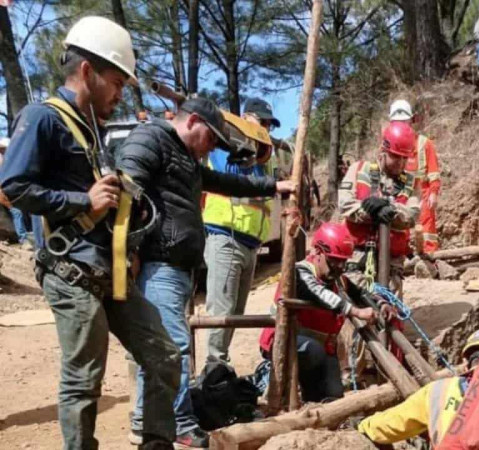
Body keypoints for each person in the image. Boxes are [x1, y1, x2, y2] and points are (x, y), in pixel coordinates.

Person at [0, 16, 182, 450]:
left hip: (110, 271)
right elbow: (12, 187)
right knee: (84, 378)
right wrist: (85, 202)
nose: (120, 93)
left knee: (164, 357)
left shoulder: (92, 130)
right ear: (87, 72)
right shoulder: (43, 118)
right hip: (69, 270)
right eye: (117, 82)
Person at [116, 97, 295, 448]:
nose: (212, 145)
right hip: (159, 264)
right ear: (193, 121)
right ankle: (179, 422)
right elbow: (126, 188)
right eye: (210, 137)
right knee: (175, 347)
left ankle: (146, 419)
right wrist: (129, 250)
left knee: (161, 346)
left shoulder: (186, 159)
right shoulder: (152, 138)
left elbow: (226, 184)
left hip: (179, 265)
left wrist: (272, 186)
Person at [258, 222, 394, 402]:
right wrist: (356, 312)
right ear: (318, 253)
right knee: (314, 353)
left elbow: (360, 293)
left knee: (333, 396)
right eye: (334, 261)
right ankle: (271, 380)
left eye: (343, 262)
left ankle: (310, 398)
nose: (338, 267)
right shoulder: (300, 272)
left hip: (321, 348)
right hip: (286, 341)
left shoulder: (338, 279)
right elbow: (319, 294)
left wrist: (381, 304)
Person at [202, 97, 281, 365]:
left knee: (236, 311)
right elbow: (228, 172)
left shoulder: (265, 157)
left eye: (270, 125)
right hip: (225, 236)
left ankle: (219, 365)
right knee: (220, 310)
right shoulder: (224, 142)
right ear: (247, 118)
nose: (267, 129)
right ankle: (214, 368)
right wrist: (243, 143)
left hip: (251, 244)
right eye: (263, 122)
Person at [337, 121, 420, 297]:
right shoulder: (359, 169)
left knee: (389, 309)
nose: (401, 163)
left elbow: (412, 216)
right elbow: (344, 203)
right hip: (356, 255)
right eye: (396, 156)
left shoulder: (411, 183)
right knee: (356, 307)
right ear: (383, 151)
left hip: (391, 260)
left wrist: (389, 207)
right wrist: (369, 210)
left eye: (405, 158)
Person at [389, 99, 441, 254]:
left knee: (426, 222)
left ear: (411, 121)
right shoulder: (387, 143)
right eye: (397, 123)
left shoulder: (424, 143)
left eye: (404, 122)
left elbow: (433, 171)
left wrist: (433, 192)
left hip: (422, 190)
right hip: (400, 190)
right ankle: (401, 254)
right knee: (399, 223)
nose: (401, 126)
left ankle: (429, 254)